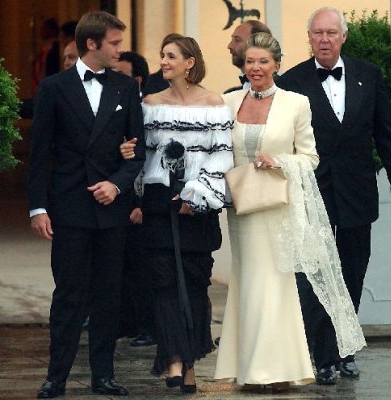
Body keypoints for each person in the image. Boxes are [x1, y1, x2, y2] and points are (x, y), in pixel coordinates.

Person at [214, 32, 366, 392]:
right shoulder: (226, 102)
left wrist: (279, 160)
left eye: (263, 62)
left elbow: (310, 157)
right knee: (248, 284)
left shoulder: (296, 103)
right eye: (250, 61)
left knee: (275, 286)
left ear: (277, 66)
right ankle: (246, 367)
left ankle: (275, 370)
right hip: (242, 209)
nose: (256, 68)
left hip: (278, 209)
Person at [277, 7, 391, 385]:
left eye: (330, 33)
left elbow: (384, 132)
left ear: (343, 36)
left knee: (352, 271)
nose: (324, 39)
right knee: (317, 274)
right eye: (317, 33)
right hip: (312, 193)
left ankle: (344, 349)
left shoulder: (369, 75)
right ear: (309, 37)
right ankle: (322, 355)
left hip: (357, 190)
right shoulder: (292, 81)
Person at [28, 11, 145, 398]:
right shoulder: (53, 87)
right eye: (114, 43)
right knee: (68, 295)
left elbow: (138, 151)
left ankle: (104, 375)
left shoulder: (125, 88)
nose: (119, 50)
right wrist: (37, 208)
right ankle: (56, 376)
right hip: (69, 208)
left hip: (111, 210)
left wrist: (116, 184)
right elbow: (40, 152)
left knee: (109, 295)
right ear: (91, 44)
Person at [121, 34, 233, 394]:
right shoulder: (149, 104)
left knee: (195, 285)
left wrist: (195, 195)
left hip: (197, 210)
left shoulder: (215, 104)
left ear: (189, 62)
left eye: (171, 56)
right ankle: (173, 361)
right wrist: (127, 157)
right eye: (162, 55)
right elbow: (141, 156)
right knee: (164, 284)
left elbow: (221, 156)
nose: (163, 62)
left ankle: (189, 362)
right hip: (158, 204)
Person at [113, 50, 156, 347]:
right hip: (118, 198)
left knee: (145, 269)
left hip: (142, 200)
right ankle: (128, 322)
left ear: (137, 80)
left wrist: (140, 204)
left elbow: (148, 159)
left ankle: (148, 326)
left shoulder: (148, 109)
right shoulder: (115, 107)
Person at [226, 20, 271, 92]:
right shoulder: (230, 95)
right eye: (232, 40)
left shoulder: (283, 90)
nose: (230, 46)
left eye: (237, 40)